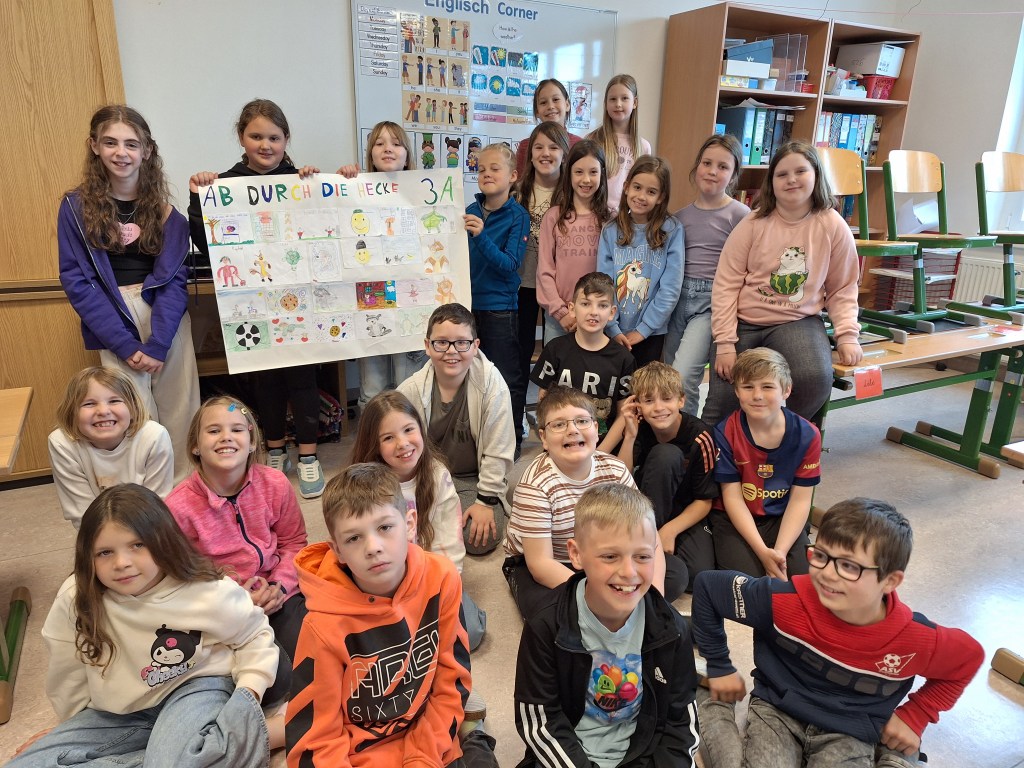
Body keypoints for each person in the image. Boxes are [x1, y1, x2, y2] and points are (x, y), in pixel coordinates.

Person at [693, 498, 985, 768]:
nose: (828, 574)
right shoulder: (782, 600)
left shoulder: (914, 638)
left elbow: (968, 658)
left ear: (890, 581)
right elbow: (708, 588)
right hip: (779, 711)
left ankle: (898, 755)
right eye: (821, 555)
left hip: (850, 728)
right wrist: (719, 666)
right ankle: (709, 702)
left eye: (848, 566)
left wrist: (916, 715)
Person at [10, 484, 278, 766]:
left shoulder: (207, 590)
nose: (121, 563)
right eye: (104, 552)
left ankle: (264, 733)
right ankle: (189, 751)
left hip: (194, 688)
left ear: (163, 542)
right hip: (119, 712)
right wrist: (70, 730)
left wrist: (248, 694)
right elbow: (67, 672)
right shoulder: (75, 596)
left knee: (176, 762)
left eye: (137, 545)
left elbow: (254, 634)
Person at [286, 463, 498, 768]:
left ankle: (473, 735)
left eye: (385, 527)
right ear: (337, 551)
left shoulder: (441, 577)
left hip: (429, 736)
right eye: (354, 538)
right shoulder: (321, 625)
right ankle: (472, 731)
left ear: (410, 524)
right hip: (361, 754)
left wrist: (423, 757)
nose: (373, 547)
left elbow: (452, 678)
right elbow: (315, 740)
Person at [187, 98, 326, 498]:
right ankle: (276, 449)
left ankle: (309, 455)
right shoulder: (224, 184)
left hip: (299, 300)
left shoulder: (299, 179)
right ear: (241, 137)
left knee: (303, 379)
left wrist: (317, 184)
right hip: (251, 301)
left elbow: (323, 224)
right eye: (256, 136)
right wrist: (198, 197)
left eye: (274, 138)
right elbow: (207, 243)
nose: (266, 145)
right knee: (265, 380)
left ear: (286, 140)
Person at [58, 105, 199, 482]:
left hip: (165, 319)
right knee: (131, 413)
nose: (121, 152)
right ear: (94, 146)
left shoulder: (170, 216)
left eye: (131, 144)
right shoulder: (75, 209)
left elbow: (173, 281)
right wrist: (124, 344)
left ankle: (184, 490)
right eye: (110, 143)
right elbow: (78, 281)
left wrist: (159, 343)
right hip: (112, 319)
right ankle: (142, 495)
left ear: (147, 151)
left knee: (180, 407)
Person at [513, 483, 700, 768]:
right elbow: (540, 723)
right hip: (568, 758)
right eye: (610, 556)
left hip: (642, 753)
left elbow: (681, 724)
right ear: (576, 554)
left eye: (642, 556)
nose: (628, 572)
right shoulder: (546, 625)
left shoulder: (671, 629)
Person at [702, 139, 863, 428]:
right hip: (744, 322)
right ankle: (719, 451)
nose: (791, 180)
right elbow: (725, 284)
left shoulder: (832, 225)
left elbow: (843, 287)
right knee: (724, 397)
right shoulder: (753, 223)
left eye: (800, 171)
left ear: (816, 174)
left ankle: (779, 436)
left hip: (797, 320)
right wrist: (725, 343)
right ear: (771, 182)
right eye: (782, 174)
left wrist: (847, 335)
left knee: (815, 379)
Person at [165, 395, 308, 713]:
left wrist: (280, 586)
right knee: (273, 683)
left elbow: (294, 543)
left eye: (237, 429)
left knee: (315, 650)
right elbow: (179, 575)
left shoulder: (275, 484)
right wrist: (234, 597)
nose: (226, 437)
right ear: (195, 446)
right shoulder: (177, 507)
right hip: (222, 608)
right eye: (214, 430)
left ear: (252, 441)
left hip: (278, 594)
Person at [503, 386, 684, 618]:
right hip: (545, 561)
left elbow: (649, 536)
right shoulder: (535, 484)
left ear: (596, 430)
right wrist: (601, 593)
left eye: (582, 421)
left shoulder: (615, 469)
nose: (572, 430)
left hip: (602, 556)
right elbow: (540, 564)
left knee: (674, 574)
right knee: (544, 612)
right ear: (544, 438)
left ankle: (612, 606)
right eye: (559, 424)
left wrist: (655, 597)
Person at [349, 390, 487, 650]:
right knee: (374, 642)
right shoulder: (364, 486)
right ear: (373, 445)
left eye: (408, 430)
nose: (403, 443)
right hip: (382, 581)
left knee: (471, 631)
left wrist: (443, 586)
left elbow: (450, 540)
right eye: (388, 437)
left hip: (429, 575)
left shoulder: (437, 475)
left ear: (421, 429)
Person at [397, 303, 514, 556]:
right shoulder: (410, 390)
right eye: (442, 343)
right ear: (427, 346)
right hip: (425, 478)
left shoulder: (493, 386)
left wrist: (486, 501)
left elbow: (500, 450)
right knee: (389, 527)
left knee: (478, 540)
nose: (452, 351)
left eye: (462, 343)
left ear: (475, 346)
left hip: (471, 480)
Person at [337, 121, 428, 411]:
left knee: (409, 386)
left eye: (396, 143)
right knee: (373, 389)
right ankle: (373, 438)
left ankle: (412, 436)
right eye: (379, 143)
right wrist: (343, 182)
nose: (388, 148)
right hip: (370, 301)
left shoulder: (424, 192)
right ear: (370, 154)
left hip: (410, 303)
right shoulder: (354, 188)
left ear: (407, 154)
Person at [711, 348, 819, 580]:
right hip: (734, 518)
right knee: (749, 581)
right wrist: (763, 553)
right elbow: (732, 498)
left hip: (780, 516)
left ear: (786, 390)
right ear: (737, 391)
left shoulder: (808, 434)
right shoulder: (725, 431)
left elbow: (800, 501)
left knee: (802, 579)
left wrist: (779, 553)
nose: (757, 395)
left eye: (768, 387)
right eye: (748, 387)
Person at [664, 134, 750, 417]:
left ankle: (688, 436)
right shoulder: (679, 218)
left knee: (683, 375)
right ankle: (671, 432)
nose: (713, 171)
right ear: (696, 167)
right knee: (668, 375)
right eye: (707, 163)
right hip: (677, 298)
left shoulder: (741, 215)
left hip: (711, 303)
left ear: (733, 175)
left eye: (723, 167)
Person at [614, 361, 717, 592]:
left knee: (696, 576)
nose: (659, 408)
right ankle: (645, 541)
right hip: (646, 506)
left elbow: (704, 500)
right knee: (666, 454)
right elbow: (620, 481)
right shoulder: (638, 426)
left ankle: (655, 549)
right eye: (649, 400)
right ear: (638, 405)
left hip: (685, 509)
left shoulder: (701, 436)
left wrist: (670, 531)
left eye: (667, 398)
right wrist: (629, 436)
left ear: (681, 400)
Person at [463, 142, 530, 458]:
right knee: (473, 379)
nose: (486, 174)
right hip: (468, 307)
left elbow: (510, 264)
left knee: (506, 378)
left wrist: (481, 237)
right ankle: (479, 438)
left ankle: (512, 438)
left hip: (501, 309)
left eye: (494, 169)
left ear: (513, 176)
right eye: (481, 169)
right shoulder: (471, 209)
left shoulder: (518, 216)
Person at [48, 366, 173, 529]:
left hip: (148, 530)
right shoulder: (62, 443)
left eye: (114, 401)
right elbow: (82, 513)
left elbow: (157, 506)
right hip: (96, 532)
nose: (103, 411)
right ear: (72, 413)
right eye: (89, 403)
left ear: (133, 408)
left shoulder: (154, 436)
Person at [597, 155, 683, 368]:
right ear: (626, 187)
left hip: (652, 332)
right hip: (612, 329)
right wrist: (613, 328)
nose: (641, 196)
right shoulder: (610, 231)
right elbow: (604, 283)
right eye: (637, 187)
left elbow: (670, 288)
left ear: (661, 197)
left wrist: (644, 329)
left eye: (651, 192)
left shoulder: (672, 230)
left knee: (644, 385)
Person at [531, 272, 634, 442]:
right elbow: (544, 406)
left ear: (612, 312)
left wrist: (601, 451)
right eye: (585, 304)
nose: (594, 312)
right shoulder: (555, 349)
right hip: (562, 443)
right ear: (572, 309)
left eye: (602, 305)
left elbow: (624, 415)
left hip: (603, 445)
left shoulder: (624, 359)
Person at [515, 122, 570, 437]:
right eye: (539, 147)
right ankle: (519, 416)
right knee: (520, 352)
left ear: (564, 153)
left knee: (555, 355)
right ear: (530, 153)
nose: (545, 153)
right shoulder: (518, 190)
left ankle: (554, 418)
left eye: (553, 147)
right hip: (522, 283)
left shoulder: (571, 193)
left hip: (557, 288)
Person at [536, 140, 613, 344]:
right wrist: (561, 312)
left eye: (593, 172)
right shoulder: (553, 217)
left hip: (598, 318)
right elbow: (545, 270)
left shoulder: (610, 220)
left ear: (602, 174)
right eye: (579, 172)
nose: (586, 179)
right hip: (560, 319)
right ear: (569, 174)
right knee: (556, 365)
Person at [586, 75, 651, 213]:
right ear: (605, 103)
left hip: (627, 217)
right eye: (613, 99)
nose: (618, 104)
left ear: (635, 102)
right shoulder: (592, 140)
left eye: (624, 98)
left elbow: (643, 186)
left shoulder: (644, 147)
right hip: (594, 213)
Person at [514, 79, 585, 175]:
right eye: (543, 102)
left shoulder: (579, 145)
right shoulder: (525, 146)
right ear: (537, 111)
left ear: (567, 104)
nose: (550, 106)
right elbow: (520, 181)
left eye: (556, 100)